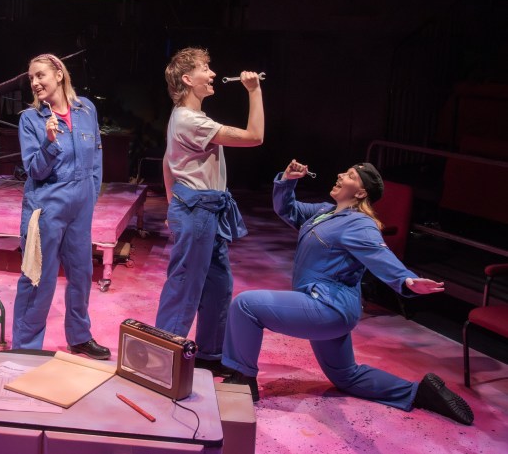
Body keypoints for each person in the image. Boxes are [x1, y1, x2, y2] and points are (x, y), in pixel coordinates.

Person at [221, 160, 475, 425]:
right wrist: (288, 181)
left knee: (245, 305)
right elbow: (287, 209)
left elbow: (379, 253)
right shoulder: (325, 212)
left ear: (361, 193)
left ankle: (241, 381)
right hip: (333, 308)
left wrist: (406, 279)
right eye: (344, 171)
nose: (341, 175)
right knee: (346, 376)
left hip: (326, 307)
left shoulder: (359, 223)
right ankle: (420, 393)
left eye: (351, 175)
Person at [155, 47, 264, 375]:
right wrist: (254, 91)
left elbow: (167, 161)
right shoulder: (190, 120)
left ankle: (210, 355)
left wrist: (172, 201)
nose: (213, 74)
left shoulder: (185, 117)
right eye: (206, 68)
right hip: (198, 210)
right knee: (186, 285)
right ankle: (162, 357)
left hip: (204, 209)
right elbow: (255, 137)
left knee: (218, 285)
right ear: (188, 79)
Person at [12, 54, 111, 359]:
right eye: (31, 78)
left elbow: (95, 158)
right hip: (47, 208)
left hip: (81, 207)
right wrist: (50, 142)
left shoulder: (86, 109)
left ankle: (79, 337)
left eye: (40, 75)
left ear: (58, 74)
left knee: (81, 275)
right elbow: (35, 171)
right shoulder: (30, 119)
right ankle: (26, 348)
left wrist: (89, 198)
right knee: (38, 278)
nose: (35, 82)